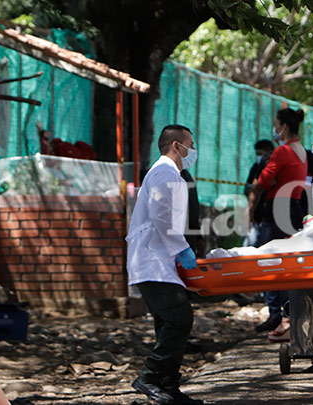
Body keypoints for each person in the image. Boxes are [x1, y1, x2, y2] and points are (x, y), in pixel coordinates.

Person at [126, 124, 203, 405]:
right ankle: (150, 376)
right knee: (179, 318)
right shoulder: (163, 172)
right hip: (151, 260)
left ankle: (168, 388)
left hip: (160, 260)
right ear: (176, 146)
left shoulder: (173, 174)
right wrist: (183, 249)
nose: (192, 150)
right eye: (190, 144)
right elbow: (161, 215)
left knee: (168, 323)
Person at [247, 108, 308, 334]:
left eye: (277, 124)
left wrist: (253, 206)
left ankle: (276, 313)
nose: (275, 128)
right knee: (290, 261)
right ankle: (289, 312)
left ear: (283, 126)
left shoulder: (282, 151)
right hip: (294, 208)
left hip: (278, 208)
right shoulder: (301, 150)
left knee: (270, 259)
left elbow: (262, 182)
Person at [243, 140, 275, 248]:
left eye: (261, 154)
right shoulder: (255, 168)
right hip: (255, 216)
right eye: (257, 154)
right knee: (250, 247)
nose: (258, 157)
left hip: (269, 217)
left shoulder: (274, 168)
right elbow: (249, 188)